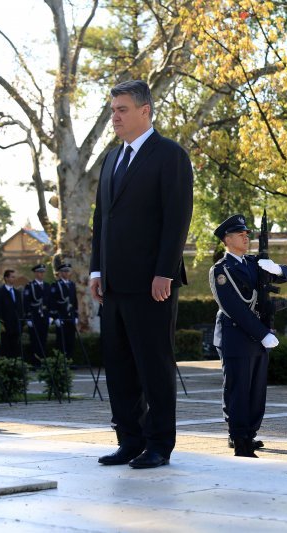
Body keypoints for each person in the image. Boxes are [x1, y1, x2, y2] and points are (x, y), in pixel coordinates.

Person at [90, 80, 193, 469]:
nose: (114, 116)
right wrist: (96, 271)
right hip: (113, 283)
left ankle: (158, 443)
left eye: (122, 109)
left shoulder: (170, 156)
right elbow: (102, 219)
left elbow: (177, 217)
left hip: (153, 285)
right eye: (112, 109)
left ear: (145, 111)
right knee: (118, 367)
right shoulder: (110, 160)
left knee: (153, 365)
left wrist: (164, 272)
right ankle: (129, 440)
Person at [210, 214, 287, 458]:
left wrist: (277, 269)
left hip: (258, 335)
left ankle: (251, 432)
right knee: (238, 390)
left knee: (257, 390)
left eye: (247, 234)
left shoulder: (254, 263)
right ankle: (239, 439)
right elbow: (233, 307)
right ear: (227, 239)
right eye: (240, 234)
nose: (246, 237)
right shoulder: (221, 269)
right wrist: (262, 334)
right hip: (236, 336)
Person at [49, 262, 78, 359]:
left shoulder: (72, 284)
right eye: (64, 271)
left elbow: (74, 300)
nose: (66, 273)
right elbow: (52, 302)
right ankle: (61, 361)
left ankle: (70, 360)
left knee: (71, 339)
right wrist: (55, 317)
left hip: (71, 316)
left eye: (67, 271)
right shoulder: (55, 285)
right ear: (60, 273)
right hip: (61, 315)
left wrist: (76, 315)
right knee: (61, 340)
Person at [23, 264, 50, 361]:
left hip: (45, 315)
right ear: (35, 273)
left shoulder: (47, 286)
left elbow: (50, 301)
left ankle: (42, 359)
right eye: (39, 272)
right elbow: (26, 302)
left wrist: (50, 316)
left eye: (43, 272)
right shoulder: (30, 286)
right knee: (34, 338)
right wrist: (28, 317)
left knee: (44, 338)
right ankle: (35, 360)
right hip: (34, 316)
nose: (41, 274)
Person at [0, 269, 23, 358]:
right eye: (12, 277)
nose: (14, 279)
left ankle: (15, 366)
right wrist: (1, 324)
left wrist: (21, 323)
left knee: (16, 349)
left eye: (15, 277)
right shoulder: (0, 292)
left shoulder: (17, 293)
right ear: (6, 278)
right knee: (6, 349)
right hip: (6, 326)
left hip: (16, 326)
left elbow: (20, 309)